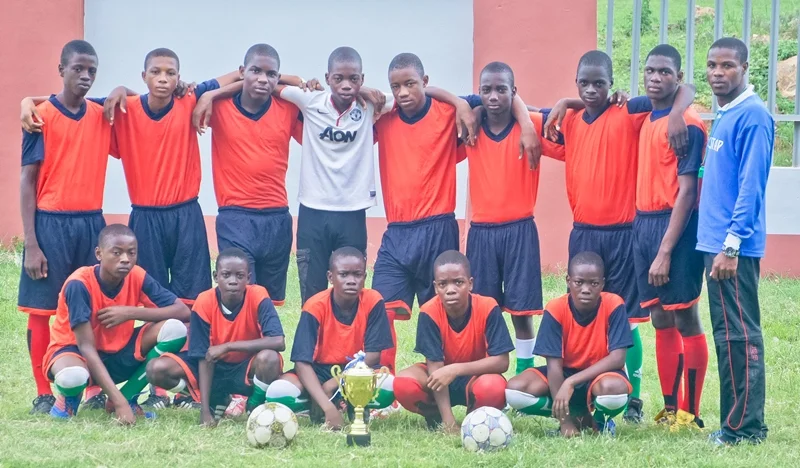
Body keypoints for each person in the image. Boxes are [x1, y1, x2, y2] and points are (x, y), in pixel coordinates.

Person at [541, 50, 695, 422]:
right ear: (575, 82)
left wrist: (675, 113)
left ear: (612, 86)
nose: (591, 89)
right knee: (585, 309)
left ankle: (634, 398)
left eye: (600, 83)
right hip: (584, 235)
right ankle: (578, 392)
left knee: (626, 318)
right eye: (584, 83)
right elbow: (519, 109)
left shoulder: (629, 112)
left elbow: (682, 89)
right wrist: (565, 102)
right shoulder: (570, 120)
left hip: (625, 233)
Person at [17, 40, 112, 414]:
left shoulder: (103, 113)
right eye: (78, 69)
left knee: (90, 306)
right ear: (61, 69)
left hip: (91, 223)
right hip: (51, 224)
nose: (85, 76)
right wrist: (32, 243)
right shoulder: (39, 116)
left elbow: (133, 99)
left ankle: (92, 390)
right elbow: (27, 180)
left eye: (92, 70)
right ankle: (43, 391)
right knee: (43, 310)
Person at [371, 52, 479, 373]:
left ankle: (450, 377)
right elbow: (354, 105)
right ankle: (382, 384)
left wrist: (458, 102)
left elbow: (483, 99)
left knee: (445, 310)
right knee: (380, 307)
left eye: (410, 84)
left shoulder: (447, 112)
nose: (402, 93)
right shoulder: (384, 118)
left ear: (426, 82)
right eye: (395, 87)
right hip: (397, 232)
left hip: (438, 227)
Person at [460, 61, 565, 375]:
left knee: (523, 310)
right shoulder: (470, 126)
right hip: (481, 232)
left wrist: (528, 120)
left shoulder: (531, 126)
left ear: (514, 92)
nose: (493, 97)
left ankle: (524, 372)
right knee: (483, 310)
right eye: (486, 90)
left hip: (519, 230)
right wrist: (473, 107)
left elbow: (567, 139)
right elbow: (459, 101)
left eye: (502, 90)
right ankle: (483, 374)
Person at [189, 43, 307, 307]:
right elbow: (198, 91)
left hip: (277, 217)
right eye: (255, 71)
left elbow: (309, 92)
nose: (262, 79)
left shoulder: (287, 107)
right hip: (236, 217)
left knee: (267, 303)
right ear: (241, 71)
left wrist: (289, 80)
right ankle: (234, 348)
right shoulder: (218, 106)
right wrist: (212, 95)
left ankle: (265, 350)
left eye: (271, 74)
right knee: (238, 298)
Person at [698, 37, 773, 446]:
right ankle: (735, 422)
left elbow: (751, 187)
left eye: (727, 66)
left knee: (741, 336)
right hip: (715, 246)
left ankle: (745, 429)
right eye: (711, 65)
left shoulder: (754, 116)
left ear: (745, 68)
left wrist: (731, 245)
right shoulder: (725, 114)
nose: (717, 73)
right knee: (727, 336)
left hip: (732, 250)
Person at [42, 224, 190, 424]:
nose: (125, 259)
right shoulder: (79, 284)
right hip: (77, 354)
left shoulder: (136, 275)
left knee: (175, 329)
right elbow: (86, 346)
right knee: (73, 377)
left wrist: (130, 312)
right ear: (99, 254)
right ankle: (69, 398)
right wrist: (118, 402)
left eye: (131, 253)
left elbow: (183, 311)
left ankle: (127, 397)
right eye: (117, 252)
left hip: (117, 354)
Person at [276, 47, 390, 305]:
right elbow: (267, 81)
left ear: (363, 78)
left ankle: (351, 345)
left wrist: (461, 104)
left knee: (351, 293)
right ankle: (312, 345)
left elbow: (413, 94)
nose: (347, 85)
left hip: (353, 211)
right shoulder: (310, 101)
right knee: (313, 295)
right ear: (327, 78)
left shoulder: (373, 104)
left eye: (354, 79)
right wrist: (300, 80)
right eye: (339, 78)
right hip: (313, 212)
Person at [634, 44, 708, 430]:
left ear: (677, 77)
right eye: (650, 71)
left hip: (674, 226)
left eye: (665, 72)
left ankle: (691, 412)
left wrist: (665, 251)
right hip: (642, 223)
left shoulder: (689, 124)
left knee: (685, 316)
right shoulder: (648, 114)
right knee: (659, 316)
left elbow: (688, 192)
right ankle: (668, 408)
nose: (656, 78)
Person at [145, 248, 285, 425]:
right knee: (156, 369)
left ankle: (254, 405)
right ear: (215, 276)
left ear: (248, 278)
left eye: (239, 276)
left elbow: (278, 341)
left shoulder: (258, 295)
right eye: (226, 275)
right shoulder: (204, 302)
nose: (233, 281)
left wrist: (228, 346)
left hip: (244, 367)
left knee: (269, 358)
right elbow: (203, 356)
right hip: (212, 366)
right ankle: (214, 399)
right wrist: (204, 409)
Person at [264, 247, 395, 430]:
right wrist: (326, 404)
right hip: (318, 371)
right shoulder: (314, 306)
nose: (351, 281)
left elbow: (373, 356)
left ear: (365, 277)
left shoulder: (373, 301)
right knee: (279, 392)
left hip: (357, 369)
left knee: (389, 386)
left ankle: (353, 403)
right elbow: (302, 362)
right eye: (343, 274)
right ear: (330, 277)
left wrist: (333, 384)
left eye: (357, 275)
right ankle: (315, 405)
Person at [505, 252, 633, 437]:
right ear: (568, 281)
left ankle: (599, 419)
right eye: (579, 282)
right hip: (563, 374)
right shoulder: (555, 308)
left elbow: (617, 358)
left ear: (603, 284)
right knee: (515, 391)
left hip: (601, 374)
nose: (586, 289)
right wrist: (565, 422)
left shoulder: (614, 304)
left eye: (594, 283)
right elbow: (554, 366)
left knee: (613, 391)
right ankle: (575, 416)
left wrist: (572, 382)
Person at [393, 250, 513, 433]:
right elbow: (435, 367)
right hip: (439, 376)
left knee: (494, 387)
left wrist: (455, 369)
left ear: (470, 284)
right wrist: (449, 423)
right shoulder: (429, 312)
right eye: (443, 284)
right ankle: (437, 417)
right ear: (435, 287)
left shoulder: (488, 307)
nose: (450, 290)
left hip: (475, 377)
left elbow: (502, 361)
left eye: (458, 282)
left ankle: (473, 421)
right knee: (403, 383)